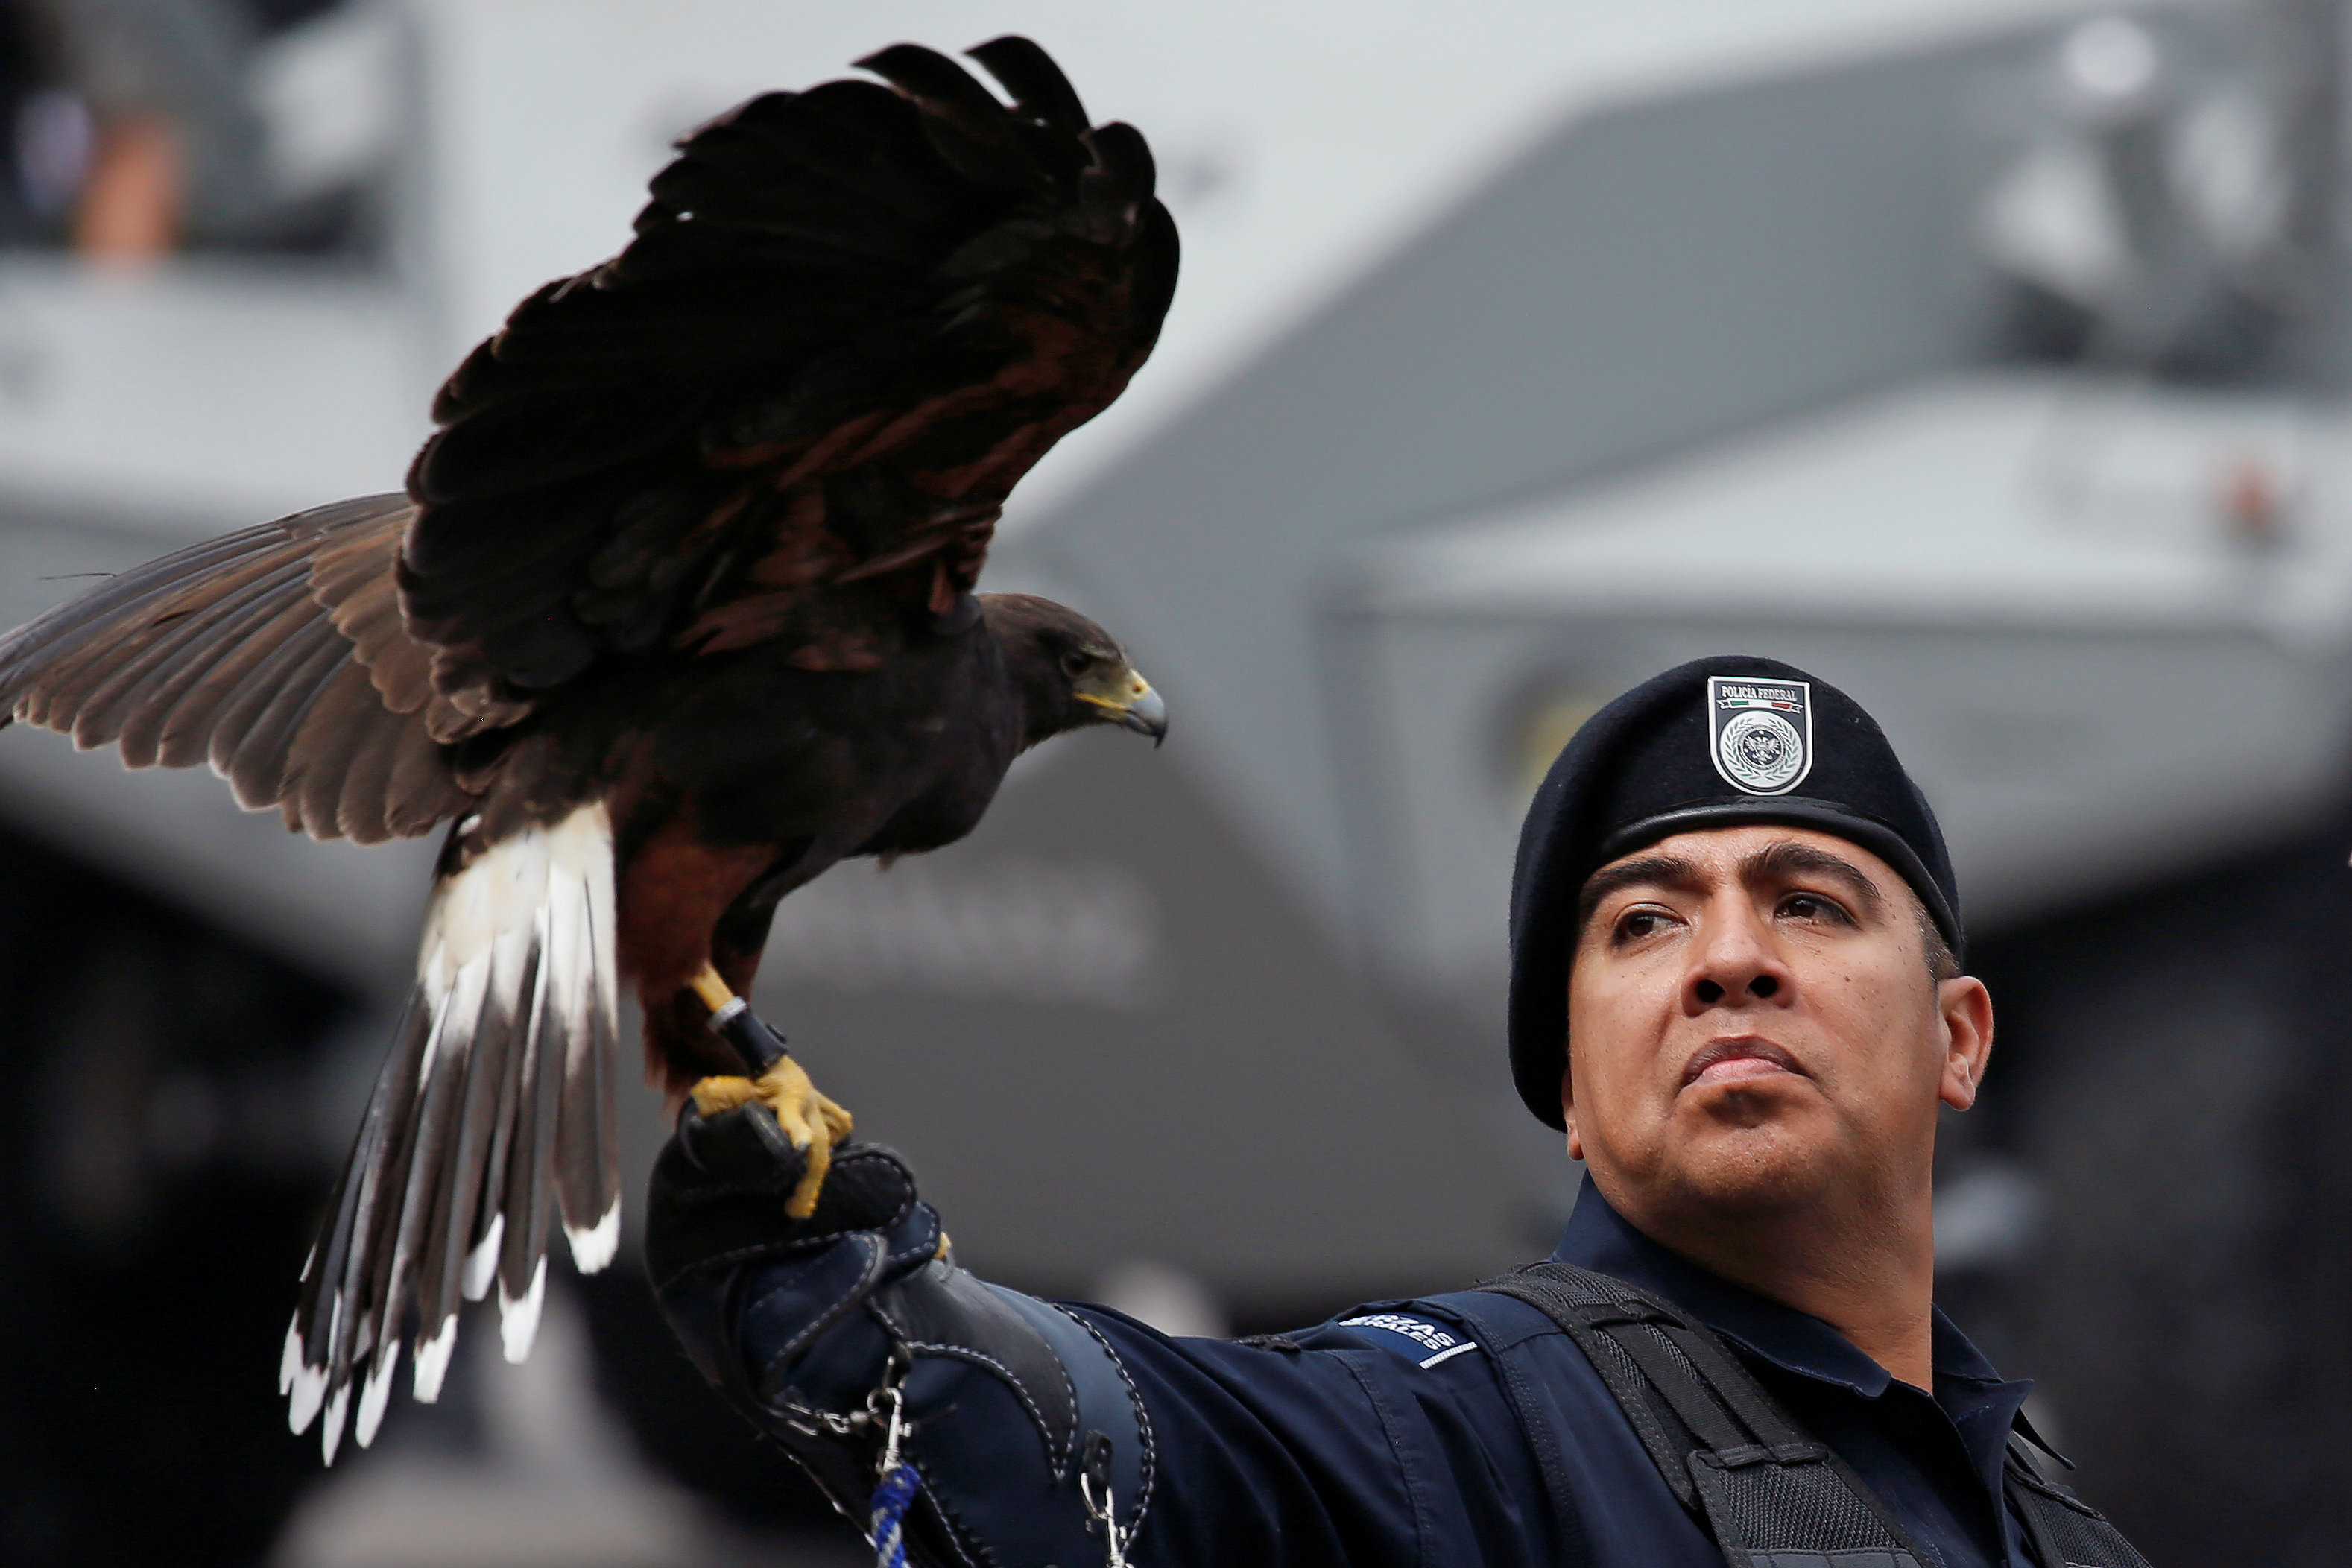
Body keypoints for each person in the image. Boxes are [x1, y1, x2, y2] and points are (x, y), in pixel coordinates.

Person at [647, 654, 2152, 1567]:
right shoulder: (1459, 1430)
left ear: (1958, 1038)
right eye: (1642, 922)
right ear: (1566, 1080)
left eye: (1811, 901)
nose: (1732, 957)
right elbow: (1154, 1444)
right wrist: (894, 1329)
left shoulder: (2053, 1518)